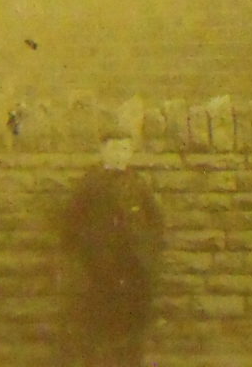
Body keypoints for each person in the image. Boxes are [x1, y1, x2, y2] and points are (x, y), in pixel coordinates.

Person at [58, 134, 165, 367]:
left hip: (134, 268)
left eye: (125, 150)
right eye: (115, 149)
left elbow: (155, 222)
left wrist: (146, 253)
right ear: (103, 152)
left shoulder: (138, 184)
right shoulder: (89, 184)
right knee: (100, 322)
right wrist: (89, 252)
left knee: (133, 322)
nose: (120, 155)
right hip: (100, 268)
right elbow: (72, 224)